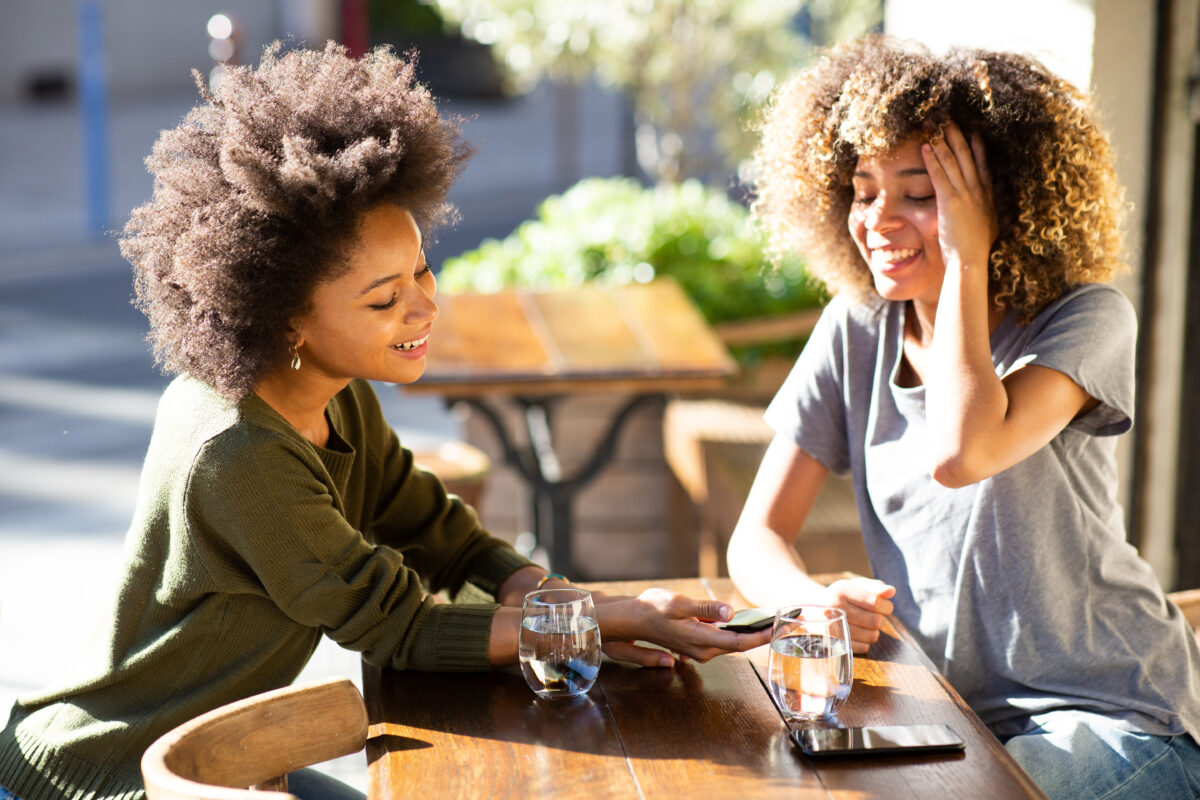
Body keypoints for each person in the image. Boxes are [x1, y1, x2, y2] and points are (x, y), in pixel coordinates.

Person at [0, 43, 769, 800]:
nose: (424, 306)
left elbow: (439, 536)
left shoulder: (333, 390)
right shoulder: (239, 451)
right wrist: (597, 623)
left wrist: (582, 607)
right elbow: (400, 627)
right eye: (382, 298)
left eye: (422, 270)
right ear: (285, 317)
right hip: (109, 775)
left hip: (227, 752)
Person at [728, 35, 1200, 800]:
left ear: (999, 202)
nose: (879, 218)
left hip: (1115, 710)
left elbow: (962, 452)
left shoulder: (1085, 320)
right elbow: (757, 535)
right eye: (863, 188)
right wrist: (804, 600)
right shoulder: (858, 327)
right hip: (945, 712)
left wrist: (967, 260)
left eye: (921, 193)